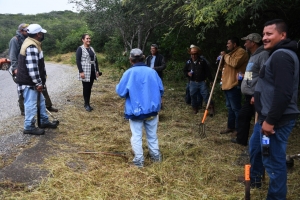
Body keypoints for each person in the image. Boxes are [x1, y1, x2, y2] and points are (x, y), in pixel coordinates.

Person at [249, 19, 299, 199]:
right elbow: (272, 84)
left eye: (269, 34)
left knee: (274, 162)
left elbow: (284, 93)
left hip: (276, 120)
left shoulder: (282, 56)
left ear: (283, 35)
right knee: (256, 148)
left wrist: (270, 121)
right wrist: (259, 96)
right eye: (263, 34)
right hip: (266, 116)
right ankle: (254, 179)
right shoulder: (277, 54)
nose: (264, 38)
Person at [116, 48, 164, 168]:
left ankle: (138, 161)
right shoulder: (152, 72)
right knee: (152, 135)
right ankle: (156, 158)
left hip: (135, 112)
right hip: (152, 111)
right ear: (143, 58)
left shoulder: (128, 73)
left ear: (131, 60)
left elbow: (121, 92)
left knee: (136, 136)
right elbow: (161, 90)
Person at [16, 24, 58, 135]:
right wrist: (38, 83)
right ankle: (29, 127)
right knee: (30, 104)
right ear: (38, 34)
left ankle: (43, 121)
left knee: (42, 102)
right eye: (42, 33)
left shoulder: (32, 42)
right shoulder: (31, 46)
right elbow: (32, 68)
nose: (43, 35)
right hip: (29, 82)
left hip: (31, 81)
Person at [231, 33, 269, 146]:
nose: (244, 44)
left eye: (246, 41)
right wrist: (244, 78)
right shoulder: (253, 56)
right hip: (250, 96)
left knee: (259, 121)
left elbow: (264, 76)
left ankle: (261, 145)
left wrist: (257, 94)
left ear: (253, 43)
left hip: (256, 96)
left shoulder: (263, 55)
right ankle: (242, 140)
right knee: (243, 116)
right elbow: (253, 74)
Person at [219, 37, 249, 134]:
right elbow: (223, 68)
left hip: (234, 84)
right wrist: (221, 60)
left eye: (228, 43)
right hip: (227, 84)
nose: (227, 45)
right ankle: (231, 127)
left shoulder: (241, 52)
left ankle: (238, 128)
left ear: (234, 44)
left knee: (236, 108)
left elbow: (235, 63)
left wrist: (225, 56)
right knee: (230, 107)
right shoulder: (230, 54)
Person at [183, 45, 214, 115]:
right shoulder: (188, 62)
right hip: (192, 82)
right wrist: (188, 73)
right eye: (192, 54)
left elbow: (207, 71)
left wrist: (211, 80)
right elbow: (184, 70)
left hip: (202, 82)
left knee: (206, 95)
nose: (193, 56)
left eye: (195, 54)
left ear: (197, 54)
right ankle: (195, 108)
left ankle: (211, 107)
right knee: (192, 95)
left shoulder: (202, 61)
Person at [76, 34, 100, 112]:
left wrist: (97, 71)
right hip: (85, 71)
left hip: (92, 71)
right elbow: (78, 61)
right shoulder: (80, 49)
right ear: (83, 40)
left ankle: (88, 103)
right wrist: (81, 71)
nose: (89, 40)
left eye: (89, 38)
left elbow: (96, 60)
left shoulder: (92, 49)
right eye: (87, 38)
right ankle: (86, 104)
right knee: (86, 88)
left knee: (89, 88)